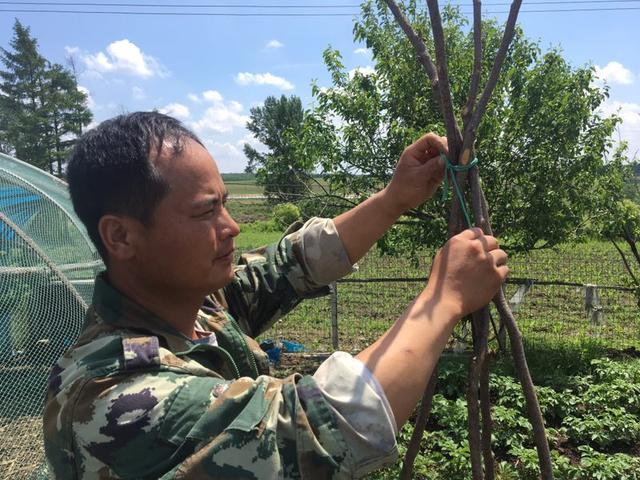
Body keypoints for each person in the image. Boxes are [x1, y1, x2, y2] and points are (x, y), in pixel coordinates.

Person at [43, 112, 508, 479]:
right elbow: (323, 428)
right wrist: (442, 300)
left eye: (225, 202)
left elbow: (289, 265)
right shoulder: (112, 395)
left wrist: (394, 198)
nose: (232, 227)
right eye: (206, 211)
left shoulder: (191, 306)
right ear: (121, 237)